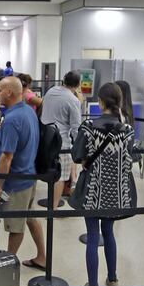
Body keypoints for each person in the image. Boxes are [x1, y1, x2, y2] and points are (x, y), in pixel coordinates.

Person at [72, 83, 136, 286]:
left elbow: (77, 156)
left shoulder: (89, 127)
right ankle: (113, 278)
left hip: (93, 192)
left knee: (92, 237)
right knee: (109, 234)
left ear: (100, 102)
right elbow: (132, 158)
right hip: (115, 193)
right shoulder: (127, 131)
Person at [0, 77, 46, 270]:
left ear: (9, 92)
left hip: (16, 182)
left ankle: (6, 268)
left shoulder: (13, 119)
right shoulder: (27, 112)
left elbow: (6, 158)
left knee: (15, 226)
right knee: (30, 218)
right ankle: (42, 257)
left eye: (0, 90)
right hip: (29, 176)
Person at [41, 71, 83, 211]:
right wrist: (79, 146)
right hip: (61, 143)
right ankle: (53, 209)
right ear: (78, 85)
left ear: (64, 80)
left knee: (50, 172)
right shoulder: (73, 100)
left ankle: (51, 202)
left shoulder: (50, 91)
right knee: (60, 176)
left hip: (44, 139)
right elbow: (76, 128)